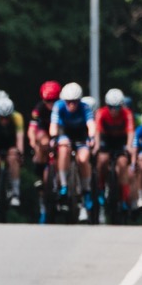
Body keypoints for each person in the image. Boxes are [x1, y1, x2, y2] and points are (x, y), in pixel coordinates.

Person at [50, 82, 95, 222]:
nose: (72, 105)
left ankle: (86, 190)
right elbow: (54, 125)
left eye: (75, 102)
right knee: (63, 148)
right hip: (65, 135)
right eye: (69, 102)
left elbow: (91, 125)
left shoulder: (85, 108)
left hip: (81, 136)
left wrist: (92, 138)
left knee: (83, 159)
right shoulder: (58, 106)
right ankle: (64, 185)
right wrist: (53, 137)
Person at [93, 88, 136, 223]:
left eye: (117, 107)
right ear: (107, 105)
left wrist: (129, 146)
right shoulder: (101, 113)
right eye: (111, 107)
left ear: (121, 106)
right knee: (103, 159)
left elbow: (130, 132)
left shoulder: (127, 113)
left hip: (120, 141)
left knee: (123, 163)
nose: (114, 110)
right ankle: (101, 188)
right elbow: (97, 132)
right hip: (106, 140)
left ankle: (124, 198)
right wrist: (96, 146)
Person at [30, 81, 61, 223]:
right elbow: (32, 129)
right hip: (44, 134)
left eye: (53, 101)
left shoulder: (62, 106)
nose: (50, 104)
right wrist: (33, 143)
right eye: (47, 101)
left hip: (60, 133)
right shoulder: (39, 109)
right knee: (41, 143)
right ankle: (39, 176)